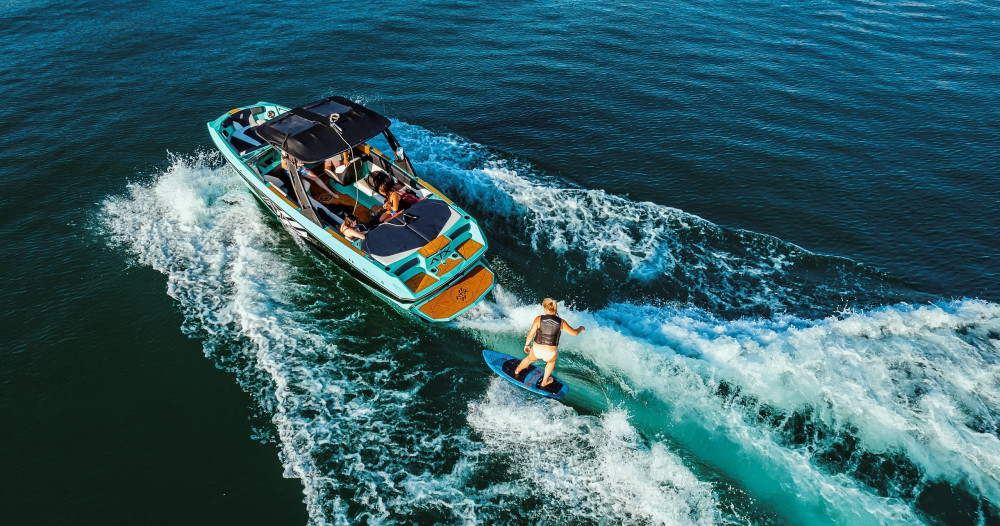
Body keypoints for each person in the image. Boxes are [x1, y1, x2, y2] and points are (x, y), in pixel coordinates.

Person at [514, 298, 585, 388]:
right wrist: (581, 328)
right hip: (550, 353)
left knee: (529, 359)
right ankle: (544, 381)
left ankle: (517, 371)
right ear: (555, 309)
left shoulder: (538, 319)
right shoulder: (561, 322)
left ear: (544, 308)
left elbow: (530, 335)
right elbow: (574, 333)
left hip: (537, 350)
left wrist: (527, 345)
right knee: (551, 362)